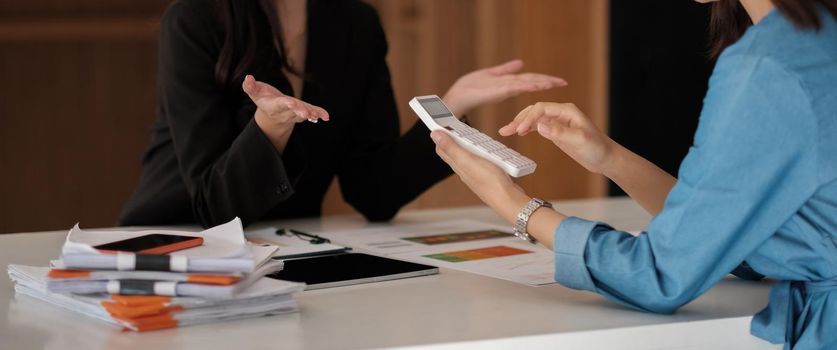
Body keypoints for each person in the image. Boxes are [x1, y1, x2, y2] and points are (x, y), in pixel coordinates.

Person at [431, 0, 837, 348]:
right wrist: (609, 158)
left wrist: (512, 202)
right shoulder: (815, 42)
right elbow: (732, 238)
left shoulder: (767, 65)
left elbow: (661, 275)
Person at [118, 0, 566, 227]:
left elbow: (374, 191)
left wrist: (450, 110)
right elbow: (212, 209)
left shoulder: (355, 22)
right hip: (172, 242)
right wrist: (269, 129)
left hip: (289, 254)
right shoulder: (196, 18)